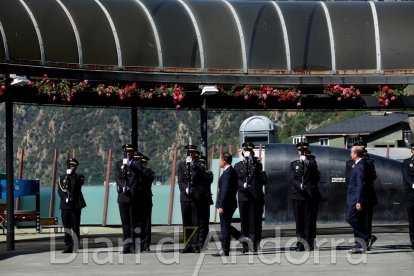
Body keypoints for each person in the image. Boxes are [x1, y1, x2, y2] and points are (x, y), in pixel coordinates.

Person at [213, 152, 251, 257]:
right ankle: (242, 238)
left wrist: (221, 205)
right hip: (230, 203)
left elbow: (225, 190)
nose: (219, 162)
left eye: (220, 160)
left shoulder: (227, 173)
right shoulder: (232, 171)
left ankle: (225, 249)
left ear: (224, 161)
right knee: (226, 226)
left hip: (226, 204)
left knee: (224, 227)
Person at [234, 142, 267, 252]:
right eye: (246, 151)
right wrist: (242, 185)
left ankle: (254, 245)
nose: (248, 152)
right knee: (244, 223)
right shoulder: (238, 166)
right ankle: (245, 245)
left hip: (255, 197)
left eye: (250, 151)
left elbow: (262, 181)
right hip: (243, 197)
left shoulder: (257, 165)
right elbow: (236, 181)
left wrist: (253, 163)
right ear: (243, 152)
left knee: (255, 222)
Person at [288, 142, 320, 251]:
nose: (302, 152)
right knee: (299, 221)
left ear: (307, 151)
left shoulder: (312, 163)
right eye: (300, 150)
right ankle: (300, 243)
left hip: (308, 195)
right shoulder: (294, 164)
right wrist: (299, 185)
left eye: (304, 150)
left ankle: (308, 242)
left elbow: (315, 174)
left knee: (308, 220)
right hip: (297, 195)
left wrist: (306, 162)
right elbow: (291, 179)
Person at [346, 145, 376, 254]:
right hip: (352, 197)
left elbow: (360, 184)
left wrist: (358, 200)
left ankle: (368, 237)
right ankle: (360, 243)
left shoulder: (361, 165)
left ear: (356, 154)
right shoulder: (357, 164)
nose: (350, 154)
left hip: (355, 198)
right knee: (356, 219)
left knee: (350, 217)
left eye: (351, 152)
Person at [115, 143, 143, 254]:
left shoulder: (137, 163)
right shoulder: (119, 164)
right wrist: (123, 186)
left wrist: (130, 165)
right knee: (125, 222)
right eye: (126, 152)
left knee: (133, 222)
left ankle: (132, 245)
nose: (128, 153)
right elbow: (117, 177)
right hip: (122, 196)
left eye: (130, 152)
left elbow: (138, 175)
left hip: (132, 196)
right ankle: (126, 245)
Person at [177, 145, 203, 253]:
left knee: (195, 221)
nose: (191, 155)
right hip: (185, 197)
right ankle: (188, 244)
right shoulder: (182, 165)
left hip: (195, 197)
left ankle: (196, 244)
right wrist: (185, 188)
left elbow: (201, 175)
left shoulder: (198, 165)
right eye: (189, 153)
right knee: (186, 222)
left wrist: (193, 165)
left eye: (193, 153)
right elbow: (181, 180)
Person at [58, 158, 86, 253]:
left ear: (76, 167)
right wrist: (64, 198)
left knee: (75, 226)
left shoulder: (79, 177)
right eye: (70, 165)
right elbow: (60, 190)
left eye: (73, 166)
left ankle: (76, 245)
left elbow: (75, 188)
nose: (72, 167)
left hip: (75, 205)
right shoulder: (62, 178)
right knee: (67, 226)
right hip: (65, 205)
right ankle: (68, 245)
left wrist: (71, 176)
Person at [196, 155, 214, 250]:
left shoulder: (208, 173)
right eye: (200, 163)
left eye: (203, 163)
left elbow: (208, 179)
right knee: (198, 222)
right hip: (197, 200)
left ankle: (204, 243)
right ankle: (198, 242)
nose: (202, 164)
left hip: (205, 200)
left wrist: (202, 170)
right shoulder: (197, 173)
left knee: (205, 223)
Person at [139, 155, 155, 252]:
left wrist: (141, 169)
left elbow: (150, 178)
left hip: (146, 199)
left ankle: (146, 243)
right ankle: (139, 243)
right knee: (139, 223)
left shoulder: (148, 171)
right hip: (138, 199)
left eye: (144, 163)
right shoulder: (136, 171)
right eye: (142, 163)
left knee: (147, 223)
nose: (143, 164)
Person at [402, 144, 414, 251]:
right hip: (411, 194)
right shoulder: (407, 162)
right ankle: (413, 243)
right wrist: (413, 184)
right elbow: (406, 176)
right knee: (412, 220)